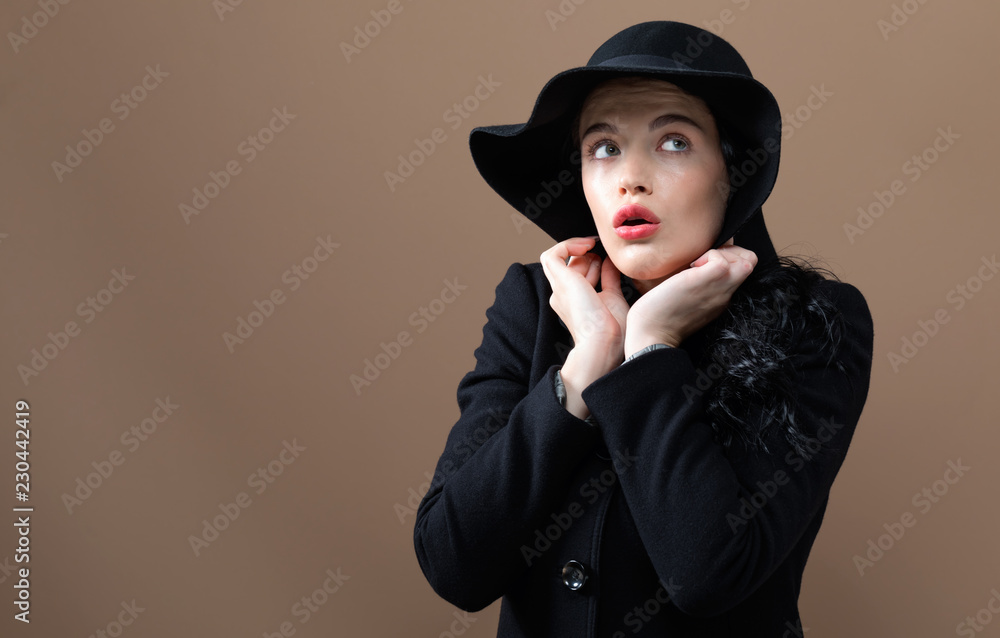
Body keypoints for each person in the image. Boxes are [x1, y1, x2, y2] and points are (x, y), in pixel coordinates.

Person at [413, 20, 874, 637]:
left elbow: (710, 573)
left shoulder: (815, 324)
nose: (629, 175)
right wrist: (584, 370)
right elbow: (453, 564)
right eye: (603, 147)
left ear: (732, 173)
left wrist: (651, 349)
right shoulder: (534, 303)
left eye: (674, 141)